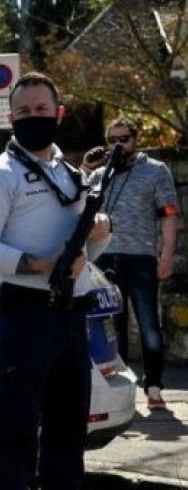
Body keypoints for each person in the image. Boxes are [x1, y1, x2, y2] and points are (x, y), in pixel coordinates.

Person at [0, 72, 119, 490]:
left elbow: (82, 250)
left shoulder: (66, 171)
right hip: (26, 314)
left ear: (59, 114)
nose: (34, 116)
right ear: (11, 119)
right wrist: (40, 263)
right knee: (12, 434)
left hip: (70, 314)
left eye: (42, 109)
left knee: (65, 430)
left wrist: (97, 235)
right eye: (24, 110)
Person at [82, 117, 180, 410]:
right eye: (113, 140)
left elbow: (169, 216)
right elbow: (72, 200)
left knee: (150, 325)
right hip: (104, 259)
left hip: (141, 258)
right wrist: (87, 168)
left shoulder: (155, 171)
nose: (119, 145)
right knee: (113, 328)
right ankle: (122, 391)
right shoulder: (100, 175)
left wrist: (166, 256)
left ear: (135, 139)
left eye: (124, 139)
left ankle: (153, 386)